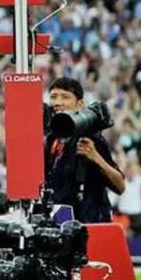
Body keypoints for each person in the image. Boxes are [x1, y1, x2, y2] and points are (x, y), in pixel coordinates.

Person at [45, 77, 125, 223]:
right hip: (61, 222)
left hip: (90, 224)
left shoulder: (90, 138)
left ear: (79, 104)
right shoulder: (50, 140)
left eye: (65, 97)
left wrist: (95, 157)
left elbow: (120, 186)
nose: (57, 103)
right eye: (53, 97)